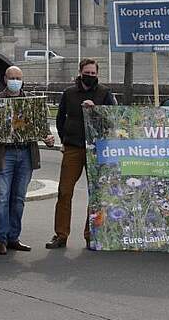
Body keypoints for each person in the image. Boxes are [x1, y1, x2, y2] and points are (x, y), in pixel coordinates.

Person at [47, 58, 116, 250]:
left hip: (95, 149)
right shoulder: (69, 93)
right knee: (64, 192)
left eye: (93, 73)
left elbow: (112, 120)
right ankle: (61, 235)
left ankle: (91, 235)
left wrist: (95, 110)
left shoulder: (104, 93)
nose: (90, 76)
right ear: (80, 72)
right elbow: (60, 118)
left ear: (97, 74)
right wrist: (64, 139)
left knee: (94, 193)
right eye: (87, 72)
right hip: (73, 147)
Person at [0, 66, 52, 254]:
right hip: (4, 154)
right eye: (12, 77)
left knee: (18, 199)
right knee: (1, 197)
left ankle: (13, 237)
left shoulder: (31, 102)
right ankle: (0, 239)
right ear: (5, 79)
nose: (15, 81)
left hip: (25, 154)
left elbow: (43, 128)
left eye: (18, 78)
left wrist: (48, 138)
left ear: (23, 80)